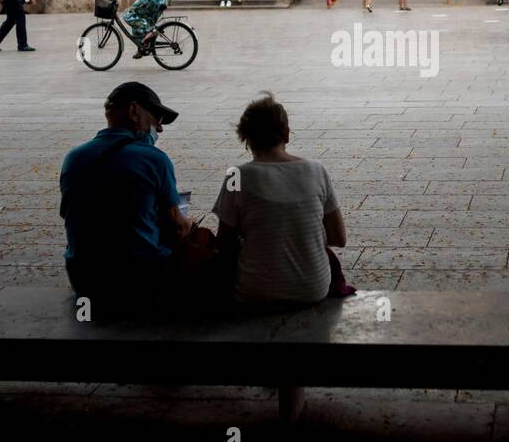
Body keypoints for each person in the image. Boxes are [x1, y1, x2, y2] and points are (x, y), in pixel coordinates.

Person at [60, 82, 191, 302]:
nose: (159, 128)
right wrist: (190, 225)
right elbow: (177, 228)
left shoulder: (73, 157)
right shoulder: (153, 159)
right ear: (133, 111)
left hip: (84, 280)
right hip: (138, 279)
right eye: (156, 119)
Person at [213, 93, 347, 305]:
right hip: (313, 290)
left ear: (246, 138)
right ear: (286, 134)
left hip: (254, 292)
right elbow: (339, 238)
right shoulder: (316, 170)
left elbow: (225, 245)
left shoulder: (236, 176)